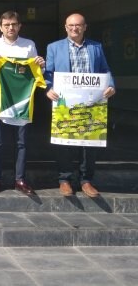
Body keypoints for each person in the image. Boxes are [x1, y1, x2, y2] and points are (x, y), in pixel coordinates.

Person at [44, 13, 115, 198]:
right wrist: (48, 88)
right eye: (70, 25)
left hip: (91, 102)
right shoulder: (54, 48)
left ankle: (86, 180)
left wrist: (111, 85)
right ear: (65, 27)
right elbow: (48, 73)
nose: (74, 28)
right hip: (65, 102)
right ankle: (65, 179)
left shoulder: (96, 47)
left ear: (85, 27)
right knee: (65, 140)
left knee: (89, 142)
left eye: (78, 25)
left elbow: (105, 70)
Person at [0, 11, 45, 195]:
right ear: (0, 27)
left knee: (22, 142)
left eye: (14, 24)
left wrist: (41, 64)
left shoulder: (29, 45)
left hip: (23, 98)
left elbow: (36, 72)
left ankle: (20, 179)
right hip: (1, 97)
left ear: (20, 26)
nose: (11, 28)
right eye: (7, 24)